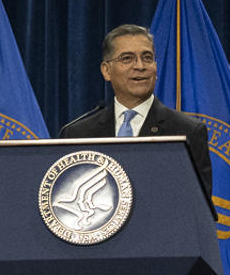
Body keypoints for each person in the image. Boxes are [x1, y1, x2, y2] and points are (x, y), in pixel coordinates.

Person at [58, 24, 213, 204]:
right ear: (106, 71)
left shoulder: (186, 132)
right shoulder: (77, 134)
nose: (140, 66)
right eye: (127, 58)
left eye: (147, 58)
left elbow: (198, 208)